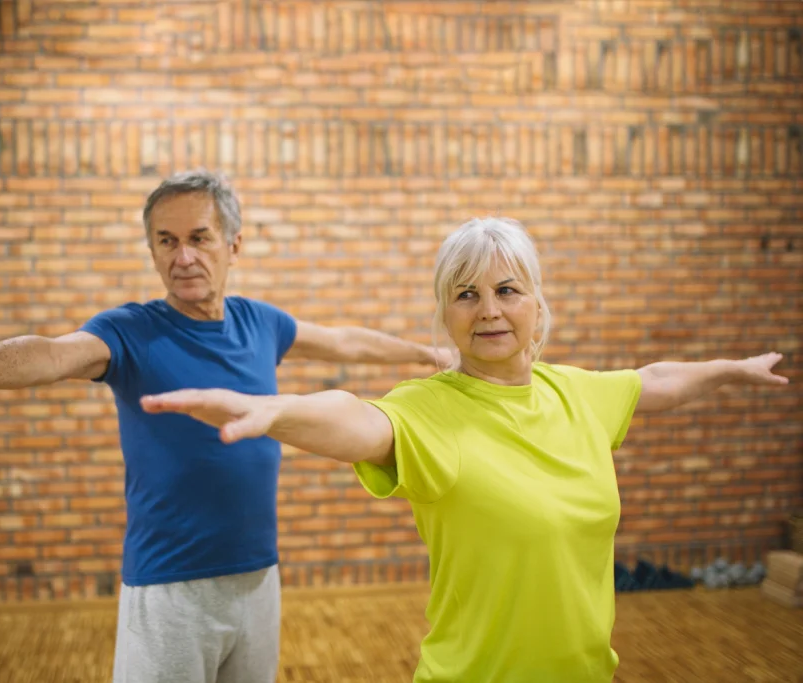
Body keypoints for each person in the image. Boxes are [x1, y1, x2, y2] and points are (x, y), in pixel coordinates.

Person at [141, 216, 790, 683]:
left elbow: (654, 380)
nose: (489, 310)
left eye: (507, 290)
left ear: (537, 304)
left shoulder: (576, 392)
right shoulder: (432, 408)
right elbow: (358, 419)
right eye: (466, 294)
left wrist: (732, 368)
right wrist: (279, 409)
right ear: (446, 316)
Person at [0, 170, 449, 683]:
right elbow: (51, 354)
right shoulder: (129, 331)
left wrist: (427, 355)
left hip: (257, 576)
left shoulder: (260, 323)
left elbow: (343, 339)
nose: (182, 257)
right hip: (169, 588)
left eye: (198, 238)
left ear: (233, 244)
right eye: (165, 242)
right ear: (151, 250)